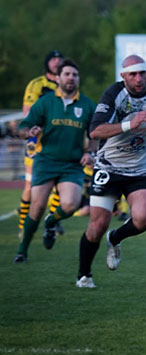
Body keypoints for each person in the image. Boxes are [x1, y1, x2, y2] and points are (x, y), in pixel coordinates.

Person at [76, 54, 146, 288]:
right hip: (109, 166)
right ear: (123, 76)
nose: (139, 78)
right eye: (132, 74)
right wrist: (129, 124)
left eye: (142, 73)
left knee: (145, 218)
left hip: (141, 169)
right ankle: (84, 275)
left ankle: (115, 238)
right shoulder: (113, 95)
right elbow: (95, 131)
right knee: (97, 225)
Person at [13, 59, 96, 263]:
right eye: (67, 74)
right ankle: (22, 251)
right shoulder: (46, 102)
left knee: (70, 205)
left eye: (75, 75)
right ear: (57, 78)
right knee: (38, 206)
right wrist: (29, 132)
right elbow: (23, 128)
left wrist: (90, 152)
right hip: (46, 160)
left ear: (78, 79)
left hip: (72, 164)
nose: (71, 78)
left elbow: (95, 134)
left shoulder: (87, 105)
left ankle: (51, 222)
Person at [19, 50, 64, 239]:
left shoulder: (66, 84)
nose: (56, 62)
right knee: (30, 187)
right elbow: (27, 113)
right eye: (52, 59)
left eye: (59, 59)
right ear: (47, 63)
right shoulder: (37, 84)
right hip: (37, 142)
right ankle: (23, 227)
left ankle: (52, 221)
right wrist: (34, 128)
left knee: (62, 186)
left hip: (60, 142)